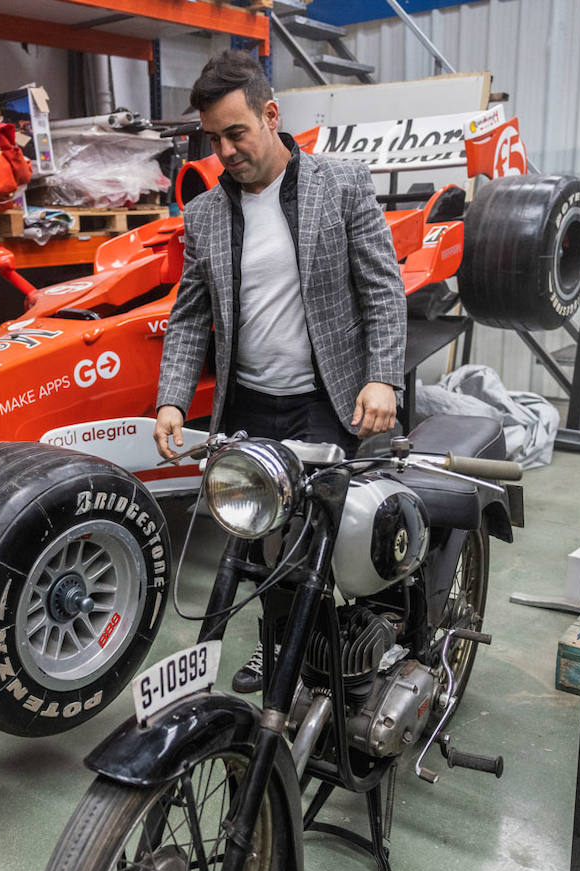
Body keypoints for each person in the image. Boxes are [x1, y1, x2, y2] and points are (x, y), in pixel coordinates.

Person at [153, 50, 407, 692]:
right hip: (249, 406)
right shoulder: (206, 214)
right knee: (260, 538)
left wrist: (384, 377)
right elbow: (189, 316)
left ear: (271, 115)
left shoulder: (341, 182)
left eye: (236, 133)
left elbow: (382, 290)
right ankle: (280, 647)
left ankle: (341, 652)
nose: (226, 150)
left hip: (327, 399)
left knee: (328, 540)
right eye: (214, 139)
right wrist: (172, 401)